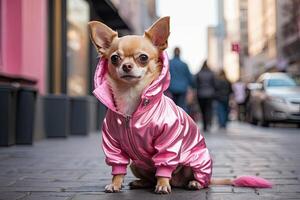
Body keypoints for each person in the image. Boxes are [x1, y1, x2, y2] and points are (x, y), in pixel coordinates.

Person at [168, 47, 195, 112]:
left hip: (171, 88)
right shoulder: (184, 64)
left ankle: (174, 120)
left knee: (172, 106)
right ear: (180, 53)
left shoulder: (169, 63)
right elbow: (189, 77)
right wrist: (193, 87)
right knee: (181, 106)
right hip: (182, 88)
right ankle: (180, 120)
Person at [195, 60, 215, 132]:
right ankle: (208, 123)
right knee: (208, 109)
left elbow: (195, 83)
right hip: (210, 93)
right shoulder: (211, 73)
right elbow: (214, 84)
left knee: (203, 110)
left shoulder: (199, 73)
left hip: (201, 94)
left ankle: (205, 125)